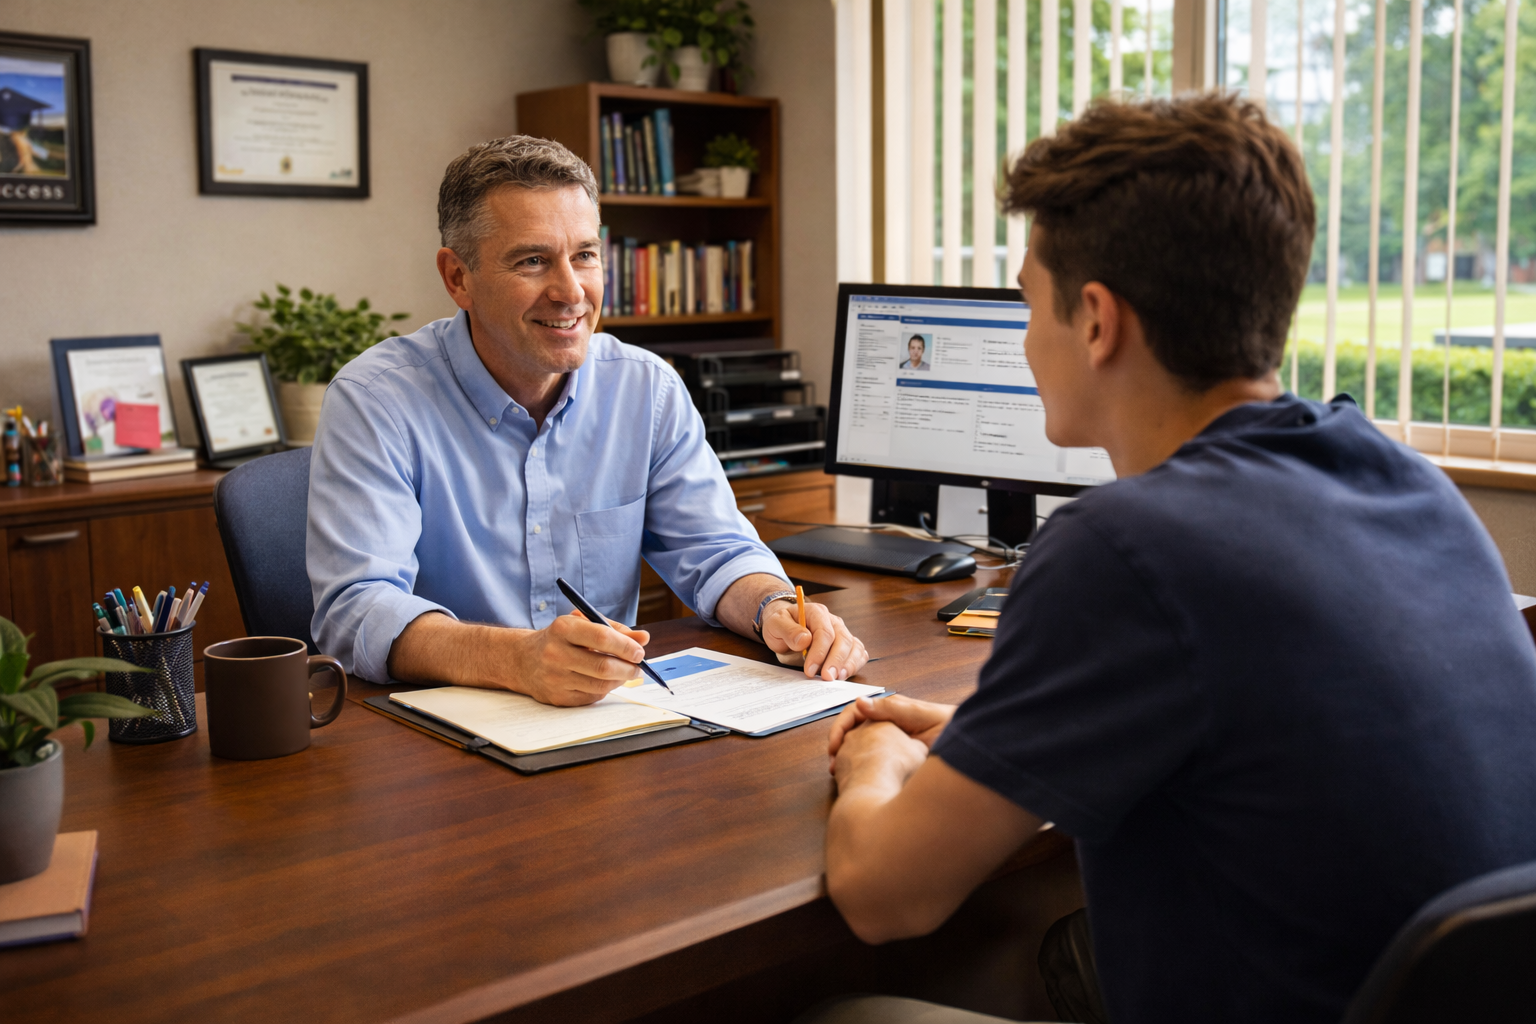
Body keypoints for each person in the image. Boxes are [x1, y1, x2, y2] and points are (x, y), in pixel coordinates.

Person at [813, 94, 1536, 1024]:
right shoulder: (1409, 483)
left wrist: (870, 757)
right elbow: (1268, 724)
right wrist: (981, 733)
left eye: (1032, 305)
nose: (1028, 341)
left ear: (1100, 322)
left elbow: (883, 896)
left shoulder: (1121, 548)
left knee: (849, 1016)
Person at [306, 136, 867, 706]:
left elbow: (717, 552)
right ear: (458, 278)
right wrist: (515, 659)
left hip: (606, 719)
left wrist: (775, 610)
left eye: (585, 255)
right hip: (441, 734)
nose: (571, 292)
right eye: (532, 261)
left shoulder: (645, 388)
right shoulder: (375, 401)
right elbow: (357, 610)